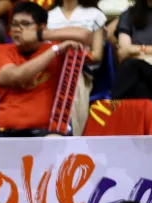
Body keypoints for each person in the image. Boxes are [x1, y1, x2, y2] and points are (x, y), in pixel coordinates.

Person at [0, 1, 91, 137]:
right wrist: (55, 49)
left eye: (26, 24)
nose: (18, 29)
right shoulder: (1, 55)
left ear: (41, 27)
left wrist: (41, 35)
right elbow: (17, 76)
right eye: (14, 24)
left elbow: (86, 36)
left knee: (54, 140)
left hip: (45, 132)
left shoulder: (54, 51)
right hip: (6, 132)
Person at [46, 0, 106, 135]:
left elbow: (97, 55)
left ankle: (72, 137)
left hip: (80, 69)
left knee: (72, 78)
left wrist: (73, 54)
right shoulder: (48, 16)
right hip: (50, 69)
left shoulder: (95, 15)